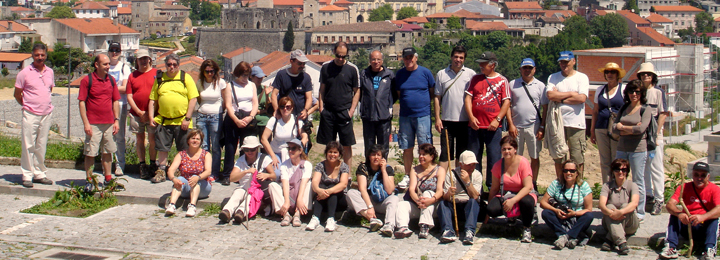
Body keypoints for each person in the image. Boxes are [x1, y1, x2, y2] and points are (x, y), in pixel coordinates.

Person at [147, 54, 199, 183]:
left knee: (183, 148)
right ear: (165, 65)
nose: (171, 67)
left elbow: (193, 98)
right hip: (164, 120)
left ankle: (181, 171)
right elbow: (153, 99)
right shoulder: (160, 79)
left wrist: (187, 118)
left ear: (178, 65)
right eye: (169, 64)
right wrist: (150, 116)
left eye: (174, 65)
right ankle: (162, 171)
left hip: (182, 120)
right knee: (162, 148)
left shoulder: (185, 78)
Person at [464, 51, 510, 187]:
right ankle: (475, 187)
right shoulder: (475, 79)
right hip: (475, 126)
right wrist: (471, 117)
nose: (481, 66)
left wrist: (498, 119)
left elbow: (506, 102)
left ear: (493, 65)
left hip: (493, 127)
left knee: (494, 159)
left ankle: (492, 188)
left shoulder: (502, 81)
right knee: (474, 158)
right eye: (480, 64)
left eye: (484, 64)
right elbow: (468, 98)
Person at [660, 162, 720, 260]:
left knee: (714, 220)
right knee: (674, 215)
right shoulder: (684, 187)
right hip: (687, 224)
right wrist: (680, 214)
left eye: (703, 175)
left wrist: (703, 216)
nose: (699, 178)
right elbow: (670, 204)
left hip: (704, 227)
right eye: (696, 175)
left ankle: (709, 249)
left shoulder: (715, 189)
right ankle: (670, 247)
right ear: (692, 175)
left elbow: (719, 209)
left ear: (708, 177)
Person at [78, 54, 121, 191]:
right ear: (97, 65)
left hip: (109, 123)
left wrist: (116, 120)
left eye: (108, 64)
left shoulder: (111, 80)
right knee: (90, 152)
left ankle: (108, 179)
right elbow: (82, 102)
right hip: (93, 123)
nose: (108, 66)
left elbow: (115, 101)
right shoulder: (87, 81)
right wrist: (86, 123)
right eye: (105, 64)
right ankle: (90, 180)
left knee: (108, 151)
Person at [14, 43, 54, 188]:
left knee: (41, 145)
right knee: (28, 145)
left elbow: (49, 89)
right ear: (32, 55)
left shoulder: (50, 72)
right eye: (37, 55)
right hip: (30, 113)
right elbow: (17, 94)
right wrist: (27, 106)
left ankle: (39, 174)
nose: (39, 57)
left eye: (42, 55)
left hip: (46, 113)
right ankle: (27, 175)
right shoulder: (24, 73)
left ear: (46, 56)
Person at [545, 51, 589, 178]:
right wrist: (571, 94)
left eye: (567, 62)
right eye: (562, 62)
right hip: (558, 123)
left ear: (573, 61)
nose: (564, 65)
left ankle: (578, 185)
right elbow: (550, 95)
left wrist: (560, 98)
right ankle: (560, 184)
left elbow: (581, 99)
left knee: (577, 157)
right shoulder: (553, 77)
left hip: (576, 124)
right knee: (559, 157)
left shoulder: (582, 77)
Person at [612, 79, 651, 221]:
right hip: (622, 147)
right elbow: (614, 128)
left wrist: (623, 128)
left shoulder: (645, 109)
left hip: (638, 149)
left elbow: (641, 129)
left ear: (642, 93)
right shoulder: (624, 108)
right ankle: (620, 206)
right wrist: (630, 129)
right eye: (631, 91)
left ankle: (639, 210)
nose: (634, 94)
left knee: (638, 180)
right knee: (619, 178)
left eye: (637, 92)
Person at [486, 136, 537, 243]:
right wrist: (488, 213)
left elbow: (528, 186)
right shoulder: (497, 165)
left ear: (515, 149)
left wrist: (513, 201)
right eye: (504, 149)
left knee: (526, 202)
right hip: (506, 195)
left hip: (523, 194)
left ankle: (526, 228)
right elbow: (494, 189)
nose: (506, 151)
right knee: (492, 209)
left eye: (509, 149)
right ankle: (512, 216)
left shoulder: (523, 162)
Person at [395, 47, 436, 176]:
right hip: (405, 116)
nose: (408, 60)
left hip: (423, 115)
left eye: (411, 57)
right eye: (406, 58)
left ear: (416, 58)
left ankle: (426, 174)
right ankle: (408, 175)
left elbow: (432, 92)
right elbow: (399, 93)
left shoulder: (425, 73)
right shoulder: (400, 74)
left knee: (425, 147)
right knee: (407, 147)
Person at [318, 42, 360, 167]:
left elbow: (357, 91)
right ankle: (330, 173)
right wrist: (321, 108)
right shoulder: (326, 67)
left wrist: (351, 111)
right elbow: (322, 89)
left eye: (344, 56)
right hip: (329, 112)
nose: (341, 59)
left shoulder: (352, 69)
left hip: (344, 112)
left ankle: (347, 176)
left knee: (346, 145)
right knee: (329, 146)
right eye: (338, 55)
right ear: (334, 53)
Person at [434, 46, 476, 171]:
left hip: (464, 121)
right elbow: (437, 97)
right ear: (451, 57)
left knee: (462, 155)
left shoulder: (471, 74)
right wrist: (437, 118)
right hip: (447, 121)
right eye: (456, 57)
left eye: (461, 57)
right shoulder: (442, 74)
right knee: (445, 154)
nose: (458, 60)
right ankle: (441, 183)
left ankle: (459, 182)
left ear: (464, 59)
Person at [507, 58, 546, 186]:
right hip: (516, 127)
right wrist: (510, 124)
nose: (527, 70)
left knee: (534, 156)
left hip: (533, 126)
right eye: (525, 68)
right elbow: (507, 105)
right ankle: (516, 182)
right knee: (515, 156)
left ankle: (532, 183)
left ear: (534, 70)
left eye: (530, 68)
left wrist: (542, 126)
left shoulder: (540, 86)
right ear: (520, 69)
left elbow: (545, 108)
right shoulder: (512, 84)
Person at [218, 136, 275, 223]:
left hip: (256, 190)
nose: (250, 152)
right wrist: (245, 172)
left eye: (252, 149)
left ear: (257, 149)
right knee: (237, 194)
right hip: (243, 187)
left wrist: (266, 175)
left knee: (250, 198)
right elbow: (232, 178)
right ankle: (227, 211)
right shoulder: (240, 160)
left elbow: (273, 176)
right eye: (247, 150)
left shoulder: (264, 159)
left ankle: (241, 213)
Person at [394, 143, 446, 240]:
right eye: (420, 154)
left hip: (433, 206)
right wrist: (419, 201)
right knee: (402, 204)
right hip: (419, 204)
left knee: (427, 193)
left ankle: (424, 225)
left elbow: (440, 191)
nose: (421, 157)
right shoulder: (415, 170)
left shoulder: (440, 170)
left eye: (424, 155)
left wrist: (430, 200)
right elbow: (411, 190)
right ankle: (402, 227)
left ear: (432, 156)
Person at [346, 144, 399, 236]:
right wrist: (369, 206)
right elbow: (362, 189)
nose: (376, 157)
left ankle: (389, 225)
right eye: (373, 155)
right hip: (367, 200)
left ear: (382, 157)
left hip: (382, 200)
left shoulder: (388, 169)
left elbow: (390, 190)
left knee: (394, 198)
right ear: (369, 156)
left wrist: (383, 170)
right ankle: (372, 219)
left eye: (378, 155)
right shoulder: (363, 168)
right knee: (351, 193)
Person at [638, 62, 669, 216]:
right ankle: (648, 194)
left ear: (653, 77)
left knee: (656, 166)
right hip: (642, 135)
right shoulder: (639, 92)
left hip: (654, 134)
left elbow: (663, 113)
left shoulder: (658, 92)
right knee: (644, 167)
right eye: (643, 74)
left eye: (648, 74)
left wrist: (656, 133)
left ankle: (659, 198)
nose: (646, 76)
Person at [539, 160, 593, 250]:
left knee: (589, 216)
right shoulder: (556, 184)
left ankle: (565, 237)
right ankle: (571, 236)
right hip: (561, 216)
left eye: (572, 171)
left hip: (576, 216)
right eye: (565, 170)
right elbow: (543, 202)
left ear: (577, 173)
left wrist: (574, 213)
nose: (568, 173)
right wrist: (556, 210)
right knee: (546, 213)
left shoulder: (583, 186)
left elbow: (589, 209)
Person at [221, 61, 258, 186]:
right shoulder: (229, 86)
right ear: (237, 74)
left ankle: (243, 173)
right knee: (230, 148)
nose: (244, 78)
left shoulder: (252, 85)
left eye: (247, 75)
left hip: (248, 118)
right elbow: (228, 105)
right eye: (242, 75)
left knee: (246, 148)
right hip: (233, 119)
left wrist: (251, 117)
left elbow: (255, 103)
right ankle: (227, 174)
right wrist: (236, 120)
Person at [163, 129, 212, 217]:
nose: (195, 141)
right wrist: (173, 179)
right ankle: (172, 204)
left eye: (198, 139)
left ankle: (192, 206)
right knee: (179, 180)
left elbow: (208, 171)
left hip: (202, 185)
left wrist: (198, 177)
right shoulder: (181, 154)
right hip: (186, 185)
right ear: (188, 140)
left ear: (201, 141)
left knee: (194, 178)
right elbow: (171, 170)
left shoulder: (206, 154)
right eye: (193, 138)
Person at [591, 62, 625, 184]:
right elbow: (595, 111)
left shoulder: (623, 89)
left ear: (618, 75)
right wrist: (592, 130)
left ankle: (618, 185)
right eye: (607, 72)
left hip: (616, 129)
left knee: (616, 159)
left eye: (612, 72)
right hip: (601, 127)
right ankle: (607, 186)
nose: (609, 74)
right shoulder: (600, 90)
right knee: (605, 160)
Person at [127, 49, 158, 180]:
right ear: (137, 61)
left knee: (152, 140)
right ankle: (142, 165)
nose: (144, 61)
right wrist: (139, 112)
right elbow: (129, 96)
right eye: (141, 59)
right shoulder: (132, 76)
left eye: (146, 58)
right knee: (140, 139)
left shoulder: (157, 74)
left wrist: (150, 113)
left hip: (153, 114)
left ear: (150, 59)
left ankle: (152, 164)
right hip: (136, 113)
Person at [438, 151, 482, 244]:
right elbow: (445, 197)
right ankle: (448, 230)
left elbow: (475, 196)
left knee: (473, 202)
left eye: (473, 165)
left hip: (468, 205)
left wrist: (468, 182)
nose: (471, 168)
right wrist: (449, 193)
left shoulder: (477, 175)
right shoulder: (451, 174)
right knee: (442, 204)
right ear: (461, 164)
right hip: (454, 205)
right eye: (469, 165)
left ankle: (469, 231)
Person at [268, 139, 313, 227]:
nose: (290, 151)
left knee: (309, 184)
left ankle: (298, 214)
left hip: (300, 193)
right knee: (272, 185)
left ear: (300, 151)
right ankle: (286, 214)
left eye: (293, 148)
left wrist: (299, 199)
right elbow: (285, 183)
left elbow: (304, 183)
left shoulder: (307, 165)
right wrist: (286, 202)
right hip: (288, 194)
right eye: (289, 148)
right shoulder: (284, 165)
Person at [598, 158, 639, 255]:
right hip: (609, 221)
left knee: (626, 205)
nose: (620, 172)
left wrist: (620, 212)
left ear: (627, 172)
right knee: (609, 205)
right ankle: (621, 243)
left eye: (623, 170)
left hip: (630, 223)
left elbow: (634, 204)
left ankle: (609, 239)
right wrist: (612, 213)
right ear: (613, 171)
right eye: (617, 169)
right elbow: (601, 205)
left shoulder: (632, 185)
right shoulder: (607, 186)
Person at [307, 141, 350, 232]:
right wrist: (319, 190)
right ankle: (315, 218)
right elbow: (315, 181)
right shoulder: (320, 165)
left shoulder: (344, 166)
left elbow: (343, 184)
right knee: (322, 186)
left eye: (335, 152)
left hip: (339, 200)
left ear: (339, 154)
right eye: (330, 152)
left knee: (333, 189)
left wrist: (328, 191)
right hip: (322, 198)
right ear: (326, 153)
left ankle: (331, 218)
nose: (332, 155)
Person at [359, 50, 396, 156]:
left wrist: (386, 104)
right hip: (368, 116)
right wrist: (367, 104)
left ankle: (382, 170)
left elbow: (394, 93)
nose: (376, 62)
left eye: (378, 59)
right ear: (369, 60)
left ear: (382, 60)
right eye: (373, 59)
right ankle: (369, 170)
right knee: (369, 146)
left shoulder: (389, 75)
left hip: (384, 117)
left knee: (383, 147)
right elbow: (359, 93)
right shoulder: (363, 74)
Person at [196, 59, 227, 180]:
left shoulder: (221, 83)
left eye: (212, 71)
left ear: (215, 71)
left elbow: (225, 99)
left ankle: (214, 172)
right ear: (203, 72)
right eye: (207, 71)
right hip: (202, 115)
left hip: (216, 116)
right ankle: (205, 172)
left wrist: (219, 111)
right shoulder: (199, 83)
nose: (209, 74)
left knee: (215, 146)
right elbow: (198, 99)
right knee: (203, 146)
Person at [261, 97, 309, 170]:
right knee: (276, 174)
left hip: (291, 152)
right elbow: (263, 139)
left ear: (292, 108)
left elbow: (304, 136)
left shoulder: (296, 120)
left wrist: (300, 147)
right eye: (282, 107)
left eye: (288, 107)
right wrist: (273, 156)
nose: (285, 109)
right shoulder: (274, 120)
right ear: (279, 108)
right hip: (275, 152)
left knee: (292, 172)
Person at [107, 42, 132, 177]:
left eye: (117, 50)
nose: (114, 53)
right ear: (109, 52)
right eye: (112, 50)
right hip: (105, 106)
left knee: (119, 136)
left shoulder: (124, 67)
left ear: (120, 52)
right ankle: (107, 163)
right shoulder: (105, 66)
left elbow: (125, 87)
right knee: (106, 135)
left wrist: (107, 89)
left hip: (121, 105)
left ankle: (120, 164)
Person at [271, 49, 313, 121]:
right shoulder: (281, 75)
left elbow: (309, 98)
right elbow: (274, 94)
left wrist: (306, 110)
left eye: (304, 63)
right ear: (291, 61)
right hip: (284, 116)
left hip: (300, 117)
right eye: (299, 63)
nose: (302, 66)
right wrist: (276, 110)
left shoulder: (306, 77)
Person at [251, 66, 273, 136]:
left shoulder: (265, 88)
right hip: (251, 121)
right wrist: (263, 111)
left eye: (261, 77)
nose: (260, 79)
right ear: (251, 77)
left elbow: (269, 109)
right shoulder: (247, 89)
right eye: (258, 77)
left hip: (264, 121)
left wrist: (267, 95)